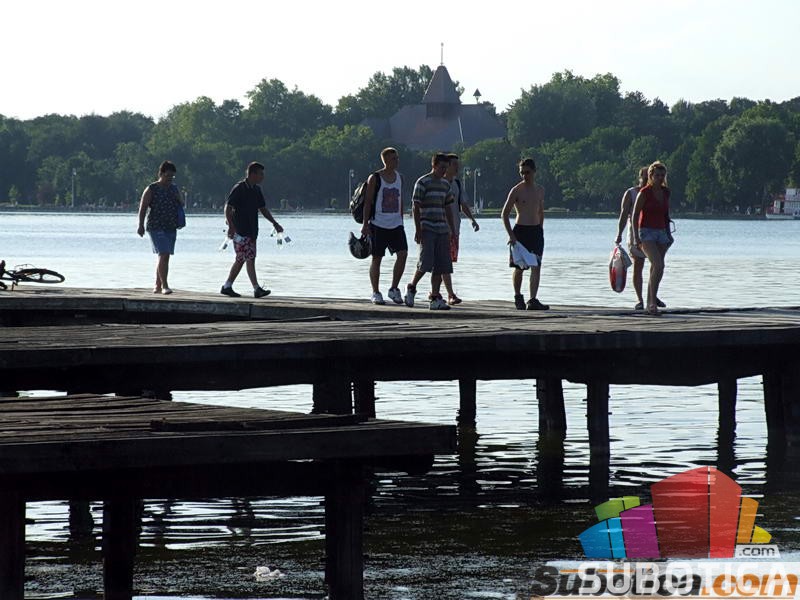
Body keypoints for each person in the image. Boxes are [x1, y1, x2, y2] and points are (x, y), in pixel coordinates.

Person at [220, 162, 283, 298]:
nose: (262, 177)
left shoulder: (256, 190)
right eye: (260, 174)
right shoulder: (239, 188)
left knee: (244, 259)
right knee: (247, 258)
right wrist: (231, 226)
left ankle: (229, 286)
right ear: (252, 174)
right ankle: (254, 288)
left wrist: (274, 223)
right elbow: (228, 207)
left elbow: (263, 209)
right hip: (240, 230)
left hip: (252, 230)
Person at [404, 153, 457, 310]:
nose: (444, 171)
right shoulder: (422, 182)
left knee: (441, 265)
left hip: (442, 228)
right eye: (441, 167)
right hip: (427, 227)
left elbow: (448, 207)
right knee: (425, 262)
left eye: (446, 168)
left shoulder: (445, 185)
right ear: (434, 165)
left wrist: (452, 229)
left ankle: (434, 297)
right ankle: (412, 287)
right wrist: (418, 229)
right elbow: (416, 206)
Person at [428, 153, 480, 305]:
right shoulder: (439, 182)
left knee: (447, 262)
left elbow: (462, 204)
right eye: (454, 165)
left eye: (458, 164)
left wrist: (472, 220)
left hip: (454, 229)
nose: (458, 167)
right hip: (439, 229)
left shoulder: (457, 183)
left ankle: (435, 292)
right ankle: (448, 294)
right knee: (444, 263)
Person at [360, 147, 408, 305]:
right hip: (378, 224)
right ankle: (375, 292)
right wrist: (365, 224)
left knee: (403, 254)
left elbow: (401, 201)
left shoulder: (400, 178)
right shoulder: (375, 178)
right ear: (385, 160)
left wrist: (401, 220)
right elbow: (368, 202)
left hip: (396, 224)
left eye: (397, 158)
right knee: (377, 258)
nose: (397, 161)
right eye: (393, 158)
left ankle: (394, 288)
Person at [615, 166, 665, 310]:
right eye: (643, 177)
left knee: (656, 264)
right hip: (636, 232)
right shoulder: (631, 193)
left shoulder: (656, 192)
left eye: (647, 177)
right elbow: (624, 215)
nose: (645, 179)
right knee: (638, 264)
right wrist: (619, 234)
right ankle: (640, 299)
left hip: (654, 231)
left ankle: (652, 295)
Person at [502, 158, 549, 310]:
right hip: (520, 231)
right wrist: (511, 235)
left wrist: (540, 228)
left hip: (535, 231)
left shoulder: (540, 190)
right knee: (519, 267)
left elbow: (540, 211)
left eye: (527, 172)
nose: (524, 176)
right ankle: (517, 296)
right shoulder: (516, 190)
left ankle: (533, 299)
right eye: (522, 173)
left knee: (536, 266)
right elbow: (504, 214)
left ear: (534, 172)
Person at [137, 160, 183, 295]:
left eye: (172, 176)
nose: (170, 178)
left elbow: (181, 204)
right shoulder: (151, 189)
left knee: (165, 256)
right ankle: (165, 286)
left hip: (171, 226)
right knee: (164, 253)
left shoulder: (174, 188)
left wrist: (178, 198)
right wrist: (140, 225)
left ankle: (157, 285)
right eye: (168, 175)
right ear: (161, 174)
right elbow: (143, 208)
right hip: (156, 226)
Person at [632, 161, 672, 316]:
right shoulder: (644, 192)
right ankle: (651, 303)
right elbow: (635, 215)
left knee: (658, 268)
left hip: (661, 232)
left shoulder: (665, 192)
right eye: (657, 175)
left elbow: (666, 214)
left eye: (662, 175)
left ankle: (651, 301)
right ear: (651, 176)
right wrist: (636, 237)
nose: (660, 178)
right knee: (658, 264)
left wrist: (668, 234)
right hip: (646, 232)